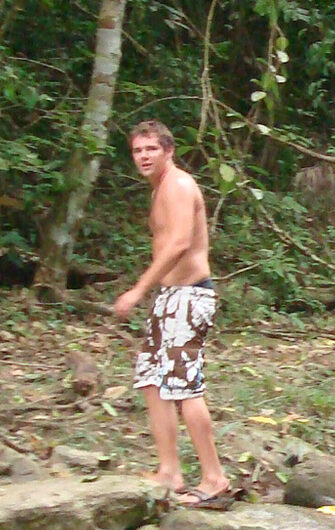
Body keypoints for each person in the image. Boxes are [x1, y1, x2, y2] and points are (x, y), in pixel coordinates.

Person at [111, 120, 233, 509]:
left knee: (184, 386)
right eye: (137, 151)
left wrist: (138, 289)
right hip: (170, 297)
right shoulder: (159, 189)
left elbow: (180, 243)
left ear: (168, 151)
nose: (144, 157)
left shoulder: (178, 185)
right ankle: (169, 471)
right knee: (151, 379)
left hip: (190, 296)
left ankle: (214, 477)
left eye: (151, 149)